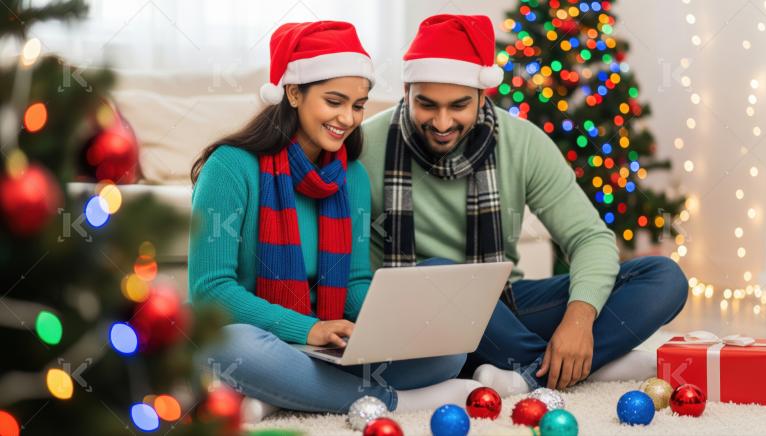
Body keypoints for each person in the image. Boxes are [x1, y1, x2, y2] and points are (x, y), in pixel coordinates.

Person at [359, 14, 689, 397]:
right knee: (434, 274)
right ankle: (587, 365)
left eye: (459, 105)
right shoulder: (366, 144)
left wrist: (579, 321)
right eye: (427, 105)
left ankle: (525, 373)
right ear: (406, 89)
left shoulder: (522, 142)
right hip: (415, 321)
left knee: (664, 277)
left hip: (502, 310)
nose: (443, 121)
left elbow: (589, 237)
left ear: (483, 95)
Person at [188, 21, 479, 419]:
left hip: (322, 347)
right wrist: (307, 330)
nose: (348, 118)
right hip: (258, 335)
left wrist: (387, 320)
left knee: (447, 351)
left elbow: (353, 282)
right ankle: (395, 402)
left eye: (358, 106)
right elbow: (211, 291)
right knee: (232, 347)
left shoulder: (351, 177)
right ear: (293, 92)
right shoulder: (230, 167)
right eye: (334, 101)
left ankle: (284, 393)